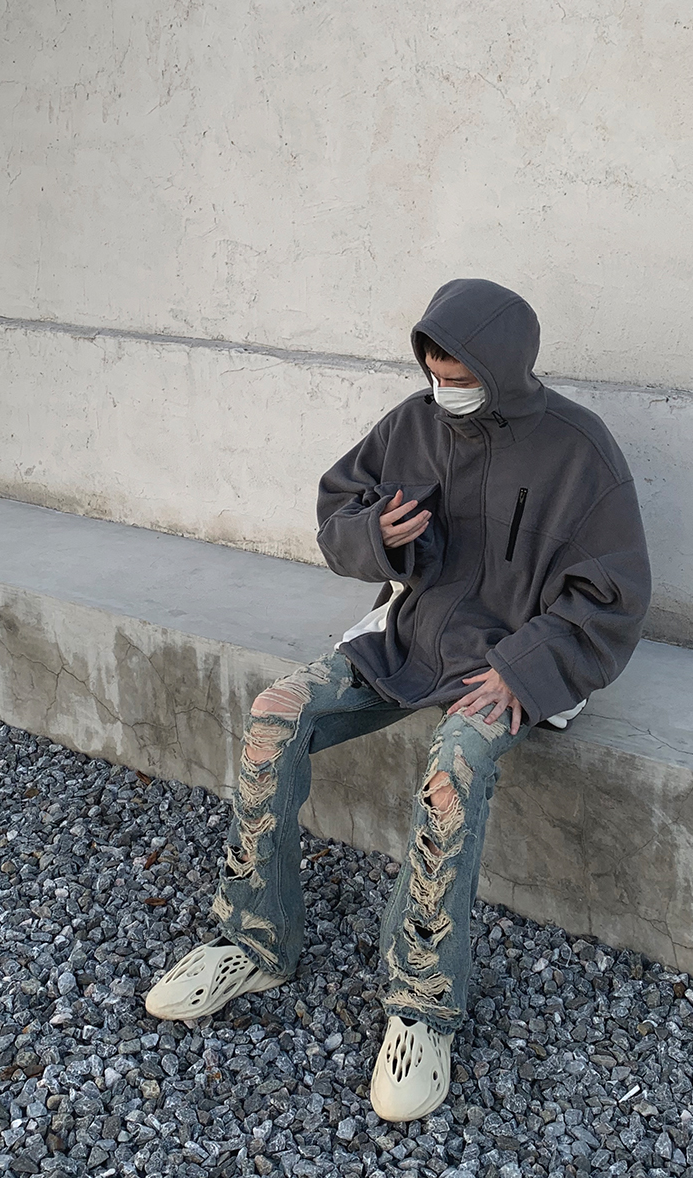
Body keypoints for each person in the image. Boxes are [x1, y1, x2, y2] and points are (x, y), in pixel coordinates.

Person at [144, 278, 651, 1122]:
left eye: (461, 375)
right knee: (275, 715)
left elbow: (613, 595)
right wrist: (374, 535)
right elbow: (338, 510)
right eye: (434, 372)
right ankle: (252, 941)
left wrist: (527, 670)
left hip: (508, 662)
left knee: (454, 767)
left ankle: (421, 1007)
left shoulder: (580, 451)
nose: (445, 388)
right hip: (406, 639)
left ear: (504, 366)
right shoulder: (412, 425)